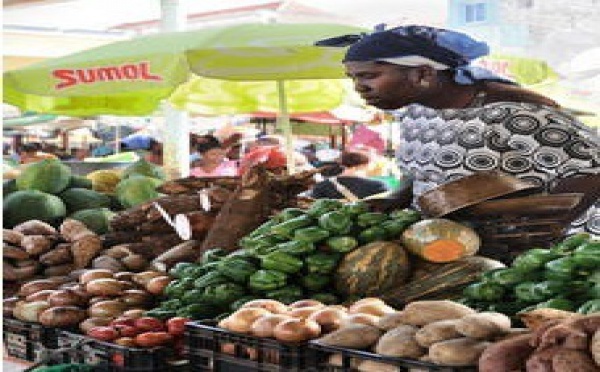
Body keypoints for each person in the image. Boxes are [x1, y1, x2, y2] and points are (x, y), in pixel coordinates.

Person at [317, 24, 599, 234]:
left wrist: (540, 228)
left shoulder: (513, 113)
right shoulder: (415, 113)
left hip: (543, 261)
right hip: (457, 250)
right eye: (354, 78)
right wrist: (397, 198)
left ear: (423, 74)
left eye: (369, 76)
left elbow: (592, 170)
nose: (359, 87)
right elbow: (423, 174)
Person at [310, 150, 389, 200]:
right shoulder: (377, 186)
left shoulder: (321, 186)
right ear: (362, 166)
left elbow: (314, 208)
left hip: (331, 225)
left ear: (342, 164)